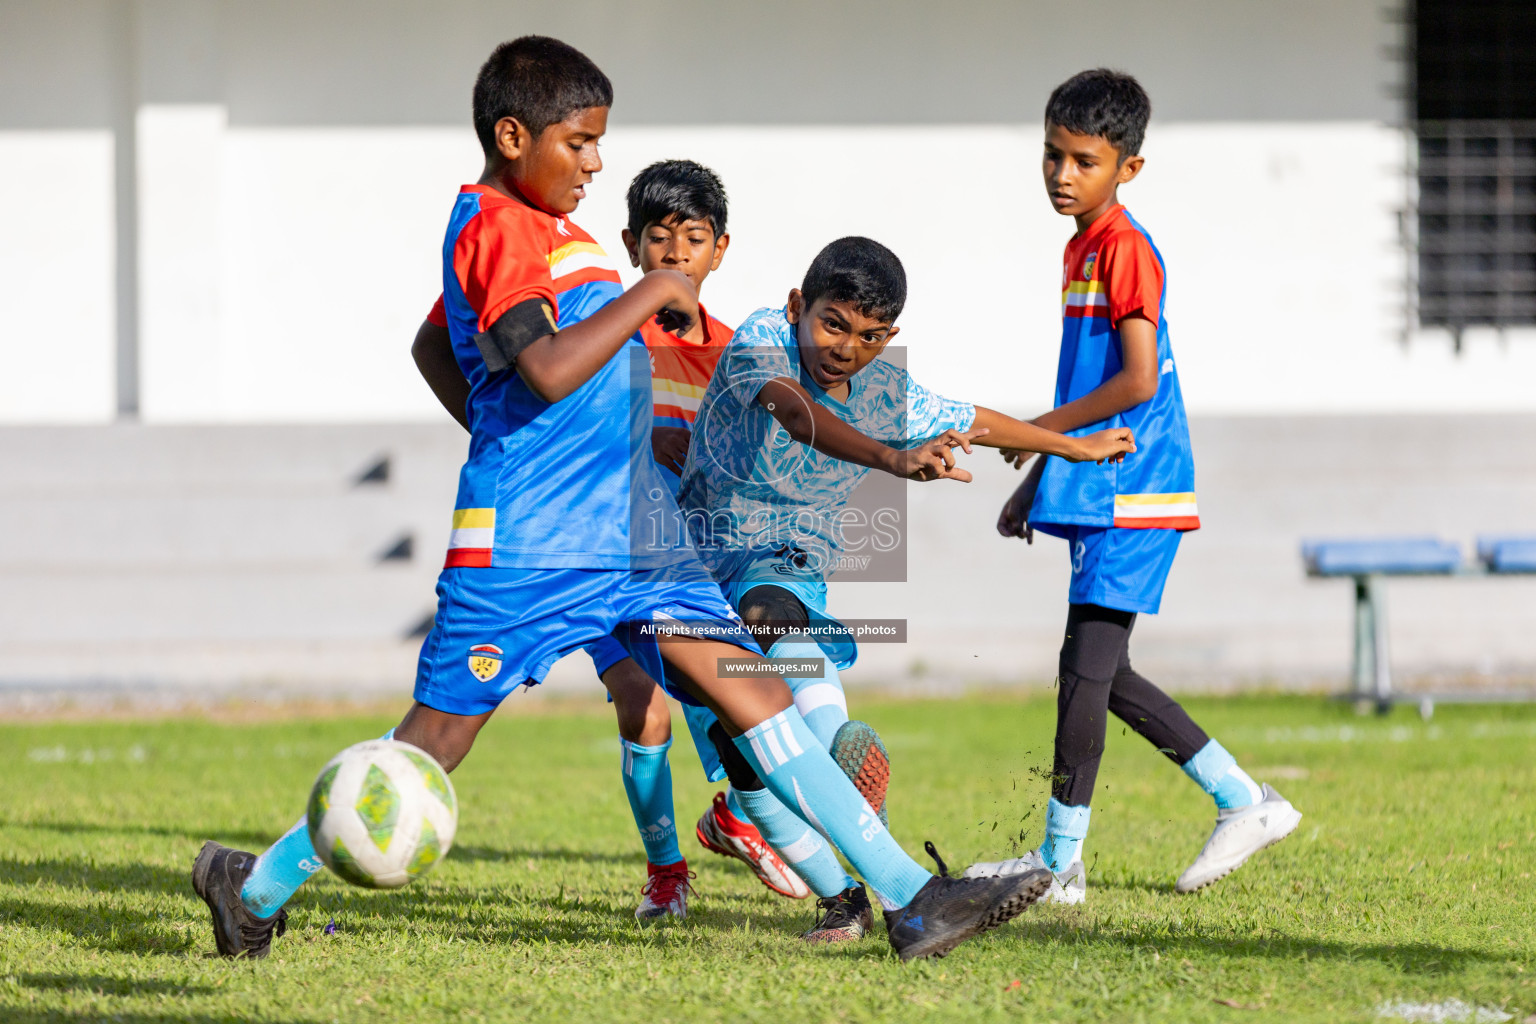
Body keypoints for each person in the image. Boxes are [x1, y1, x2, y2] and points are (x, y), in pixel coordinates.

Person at [191, 35, 1049, 964]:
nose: (598, 163)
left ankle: (911, 901)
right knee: (433, 741)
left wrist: (551, 404)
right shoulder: (494, 227)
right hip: (531, 545)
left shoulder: (552, 230)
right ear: (513, 135)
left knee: (757, 695)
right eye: (580, 142)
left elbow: (446, 343)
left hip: (636, 538)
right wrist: (641, 303)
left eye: (601, 142)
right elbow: (546, 368)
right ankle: (257, 887)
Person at [675, 235, 1137, 941]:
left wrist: (1070, 445)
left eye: (870, 337)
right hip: (688, 575)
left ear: (889, 336)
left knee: (777, 621)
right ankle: (843, 893)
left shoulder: (883, 389)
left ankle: (858, 801)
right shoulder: (762, 340)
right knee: (748, 766)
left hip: (776, 566)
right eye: (833, 324)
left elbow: (968, 418)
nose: (847, 348)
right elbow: (797, 413)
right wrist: (893, 458)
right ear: (800, 306)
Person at [415, 157, 807, 917]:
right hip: (600, 545)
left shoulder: (733, 355)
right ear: (633, 245)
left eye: (693, 241)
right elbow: (445, 344)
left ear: (719, 251)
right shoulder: (582, 299)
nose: (676, 257)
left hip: (692, 556)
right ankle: (669, 872)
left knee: (753, 691)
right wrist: (528, 443)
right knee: (645, 703)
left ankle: (757, 821)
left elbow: (766, 454)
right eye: (660, 240)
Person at [975, 69, 1302, 902]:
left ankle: (1060, 866)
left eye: (1083, 160)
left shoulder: (1123, 247)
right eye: (1051, 155)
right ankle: (1244, 802)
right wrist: (1039, 478)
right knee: (1101, 673)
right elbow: (1093, 371)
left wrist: (1039, 432)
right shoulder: (1080, 245)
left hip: (1135, 486)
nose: (1061, 174)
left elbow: (1136, 381)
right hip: (1097, 485)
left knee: (1086, 669)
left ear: (1129, 168)